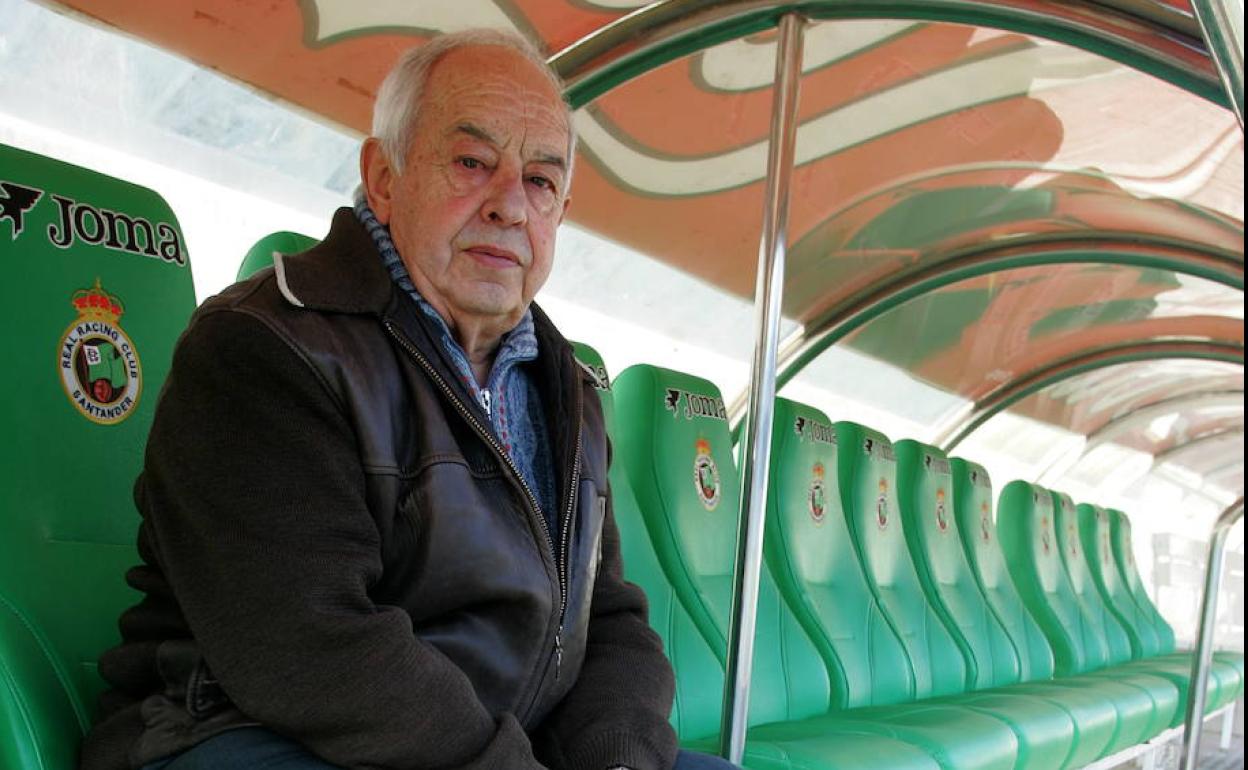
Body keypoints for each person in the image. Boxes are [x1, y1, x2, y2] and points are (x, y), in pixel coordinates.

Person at [80, 28, 739, 770]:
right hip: (248, 734)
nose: (510, 206)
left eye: (541, 181)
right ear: (384, 176)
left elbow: (610, 618)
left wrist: (618, 758)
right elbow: (309, 644)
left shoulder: (572, 393)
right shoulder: (265, 345)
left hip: (494, 745)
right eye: (471, 162)